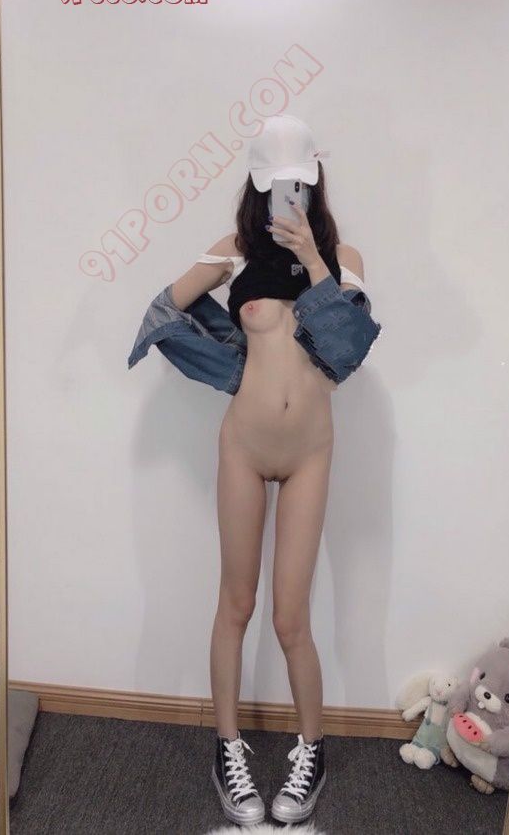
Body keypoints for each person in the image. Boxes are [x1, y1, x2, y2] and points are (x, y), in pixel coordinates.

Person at [134, 115, 380, 826]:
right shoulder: (234, 254)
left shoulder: (344, 256)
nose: (289, 197)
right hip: (243, 448)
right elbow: (163, 308)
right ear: (257, 185)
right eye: (277, 186)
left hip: (310, 454)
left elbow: (349, 345)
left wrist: (314, 259)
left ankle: (310, 749)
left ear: (314, 184)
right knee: (235, 604)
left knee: (290, 617)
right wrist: (228, 365)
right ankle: (229, 748)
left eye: (298, 185)